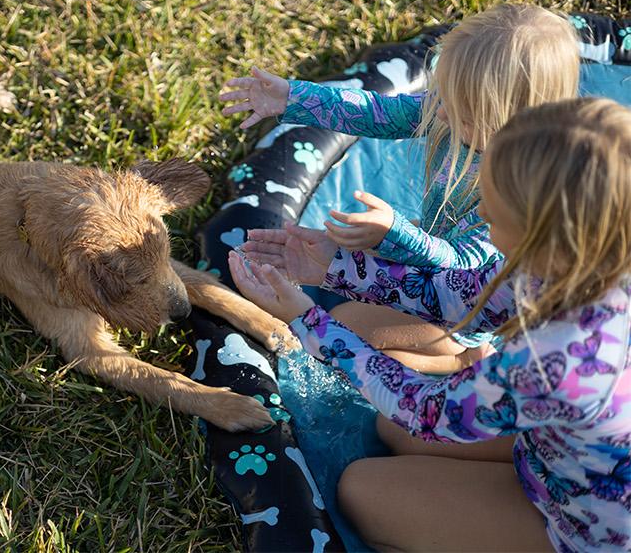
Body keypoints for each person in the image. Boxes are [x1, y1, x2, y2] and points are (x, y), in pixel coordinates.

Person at [231, 97, 631, 551]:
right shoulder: (587, 261)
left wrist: (308, 320)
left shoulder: (560, 358)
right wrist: (334, 266)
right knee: (388, 430)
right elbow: (464, 297)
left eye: (495, 213)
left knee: (360, 490)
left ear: (543, 235)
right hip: (557, 454)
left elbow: (426, 411)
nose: (481, 216)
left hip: (587, 529)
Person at [219, 3, 581, 374]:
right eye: (443, 96)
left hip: (462, 313)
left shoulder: (519, 190)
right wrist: (293, 98)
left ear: (514, 118)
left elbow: (461, 270)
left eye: (462, 114)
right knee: (334, 282)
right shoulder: (455, 113)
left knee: (340, 333)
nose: (440, 115)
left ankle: (463, 360)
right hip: (426, 261)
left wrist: (394, 234)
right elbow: (378, 111)